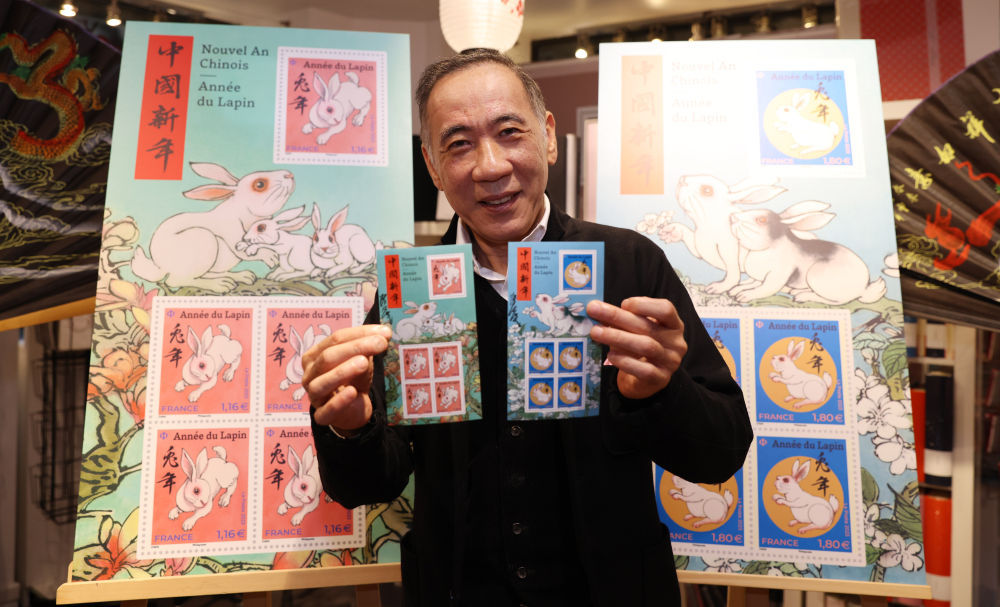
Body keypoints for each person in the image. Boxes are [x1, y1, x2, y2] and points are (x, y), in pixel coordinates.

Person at [303, 48, 753, 607]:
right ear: (433, 166)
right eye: (459, 144)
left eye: (509, 132)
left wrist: (663, 392)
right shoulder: (413, 293)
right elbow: (367, 485)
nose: (490, 166)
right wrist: (352, 427)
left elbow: (720, 453)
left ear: (548, 137)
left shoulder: (629, 265)